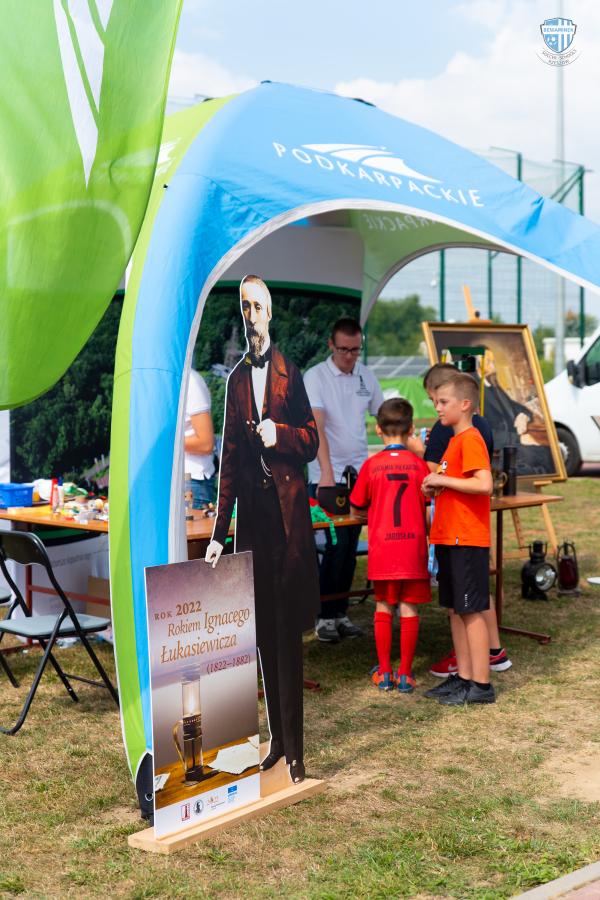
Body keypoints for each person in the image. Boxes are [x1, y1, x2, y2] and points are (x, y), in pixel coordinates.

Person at [205, 275, 319, 784]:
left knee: (287, 633)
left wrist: (281, 435)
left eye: (258, 306)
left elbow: (312, 440)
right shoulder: (235, 381)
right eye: (245, 306)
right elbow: (228, 459)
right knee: (262, 636)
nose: (251, 314)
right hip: (252, 523)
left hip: (287, 522)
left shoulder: (289, 373)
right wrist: (218, 531)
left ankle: (296, 750)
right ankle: (277, 741)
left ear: (270, 313)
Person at [422, 363, 512, 677]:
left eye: (443, 402)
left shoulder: (471, 439)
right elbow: (454, 480)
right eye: (435, 401)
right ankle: (463, 677)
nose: (437, 407)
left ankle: (480, 683)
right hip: (449, 536)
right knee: (456, 610)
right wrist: (434, 484)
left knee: (470, 611)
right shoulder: (454, 441)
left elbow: (484, 484)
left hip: (466, 538)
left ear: (464, 404)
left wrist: (442, 480)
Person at [304, 317, 384, 643]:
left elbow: (383, 416)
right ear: (331, 345)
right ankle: (323, 615)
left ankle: (340, 612)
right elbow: (317, 427)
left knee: (350, 548)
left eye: (355, 350)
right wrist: (325, 472)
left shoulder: (366, 375)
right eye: (343, 350)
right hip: (328, 477)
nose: (350, 356)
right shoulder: (316, 377)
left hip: (359, 476)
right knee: (334, 546)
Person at [350, 398, 431, 693]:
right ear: (411, 429)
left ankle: (385, 672)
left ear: (377, 429)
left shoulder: (371, 466)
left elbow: (356, 506)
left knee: (383, 605)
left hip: (384, 550)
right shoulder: (420, 465)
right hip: (412, 549)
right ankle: (406, 674)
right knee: (409, 607)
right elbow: (428, 505)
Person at [185, 369, 216, 508]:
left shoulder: (190, 381)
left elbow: (205, 443)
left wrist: (162, 441)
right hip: (162, 477)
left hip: (191, 482)